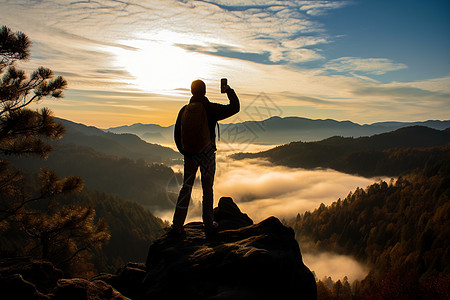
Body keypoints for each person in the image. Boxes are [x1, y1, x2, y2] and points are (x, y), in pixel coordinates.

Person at [171, 79, 240, 235]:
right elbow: (235, 108)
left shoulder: (184, 110)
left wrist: (185, 152)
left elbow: (177, 134)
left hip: (189, 155)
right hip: (207, 154)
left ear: (191, 91)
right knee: (207, 189)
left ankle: (177, 225)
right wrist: (228, 90)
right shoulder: (209, 108)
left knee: (186, 189)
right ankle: (208, 224)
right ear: (205, 91)